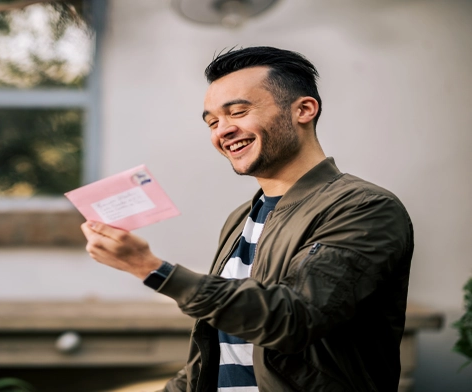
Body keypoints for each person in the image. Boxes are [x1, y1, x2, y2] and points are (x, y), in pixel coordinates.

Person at [80, 46, 413, 392]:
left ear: (304, 109)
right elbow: (223, 350)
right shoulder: (241, 218)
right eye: (212, 122)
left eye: (237, 112)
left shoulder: (365, 207)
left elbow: (293, 318)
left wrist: (150, 268)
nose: (222, 131)